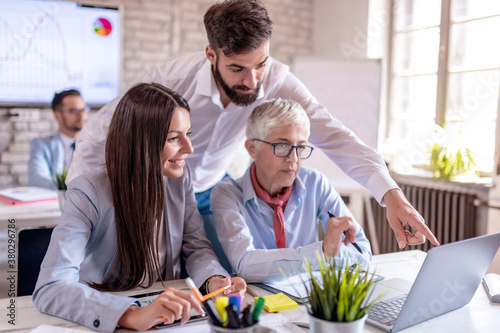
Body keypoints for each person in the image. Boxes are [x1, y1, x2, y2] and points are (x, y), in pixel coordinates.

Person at [67, 0, 438, 260]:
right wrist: (79, 204)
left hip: (208, 190)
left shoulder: (275, 78)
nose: (253, 81)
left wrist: (391, 195)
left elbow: (333, 133)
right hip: (157, 186)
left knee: (217, 270)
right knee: (141, 270)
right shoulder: (168, 79)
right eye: (238, 69)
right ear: (211, 55)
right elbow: (100, 135)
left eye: (260, 64)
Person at [33, 83, 246, 332]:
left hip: (167, 310)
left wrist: (215, 282)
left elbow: (196, 247)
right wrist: (130, 314)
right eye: (174, 138)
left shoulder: (180, 179)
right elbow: (51, 287)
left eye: (188, 134)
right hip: (105, 310)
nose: (189, 148)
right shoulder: (88, 191)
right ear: (141, 142)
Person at [210, 99, 372, 282]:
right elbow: (245, 265)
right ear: (252, 149)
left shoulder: (315, 183)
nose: (293, 159)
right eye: (282, 146)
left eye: (301, 147)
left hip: (308, 297)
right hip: (256, 300)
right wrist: (323, 253)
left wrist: (331, 253)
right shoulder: (226, 194)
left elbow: (362, 252)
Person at [28, 89, 88, 189]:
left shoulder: (96, 145)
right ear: (57, 115)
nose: (82, 116)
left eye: (84, 110)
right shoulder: (41, 144)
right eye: (74, 110)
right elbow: (37, 178)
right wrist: (72, 190)